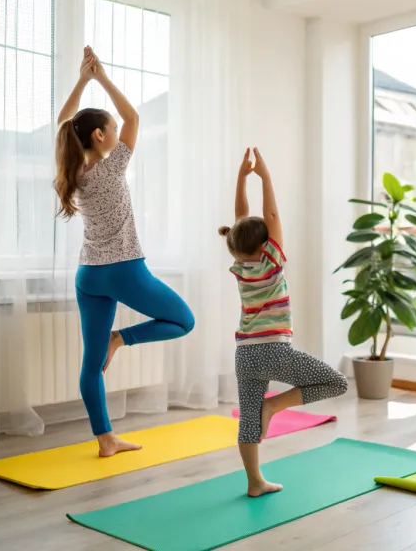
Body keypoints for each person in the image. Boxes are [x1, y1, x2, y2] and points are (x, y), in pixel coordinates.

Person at [54, 47, 195, 457]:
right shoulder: (110, 167)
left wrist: (82, 80)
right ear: (99, 136)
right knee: (184, 320)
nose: (119, 131)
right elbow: (134, 117)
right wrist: (100, 78)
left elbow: (66, 123)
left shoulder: (72, 170)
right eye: (110, 128)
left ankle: (106, 440)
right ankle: (122, 338)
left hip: (88, 275)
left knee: (90, 362)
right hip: (123, 270)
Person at [220, 147, 348, 497]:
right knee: (337, 383)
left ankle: (254, 482)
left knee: (248, 422)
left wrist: (240, 179)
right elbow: (269, 214)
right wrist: (264, 176)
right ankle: (274, 406)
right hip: (274, 352)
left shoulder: (239, 264)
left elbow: (241, 219)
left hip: (244, 356)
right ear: (267, 245)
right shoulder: (271, 262)